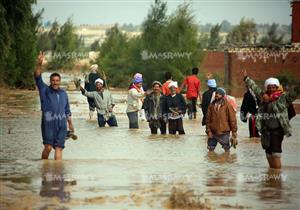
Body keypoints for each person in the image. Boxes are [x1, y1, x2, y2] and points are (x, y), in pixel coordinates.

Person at [242, 69, 300, 169]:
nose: (272, 89)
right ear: (267, 88)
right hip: (266, 130)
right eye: (270, 87)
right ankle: (272, 175)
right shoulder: (263, 97)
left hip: (278, 130)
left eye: (274, 87)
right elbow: (254, 88)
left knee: (275, 152)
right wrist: (246, 78)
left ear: (277, 87)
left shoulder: (283, 98)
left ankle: (278, 177)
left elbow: (295, 92)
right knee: (268, 152)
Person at [34, 52, 74, 160]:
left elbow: (67, 111)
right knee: (48, 147)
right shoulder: (44, 90)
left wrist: (70, 124)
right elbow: (37, 77)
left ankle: (58, 173)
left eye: (57, 81)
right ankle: (44, 167)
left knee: (59, 148)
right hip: (48, 123)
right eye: (53, 80)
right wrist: (39, 63)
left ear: (60, 81)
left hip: (62, 124)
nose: (55, 82)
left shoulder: (64, 94)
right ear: (50, 81)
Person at [206, 88, 237, 152]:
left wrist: (234, 131)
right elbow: (207, 120)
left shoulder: (227, 106)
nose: (217, 95)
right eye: (216, 93)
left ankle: (226, 161)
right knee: (210, 151)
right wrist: (208, 131)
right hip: (213, 132)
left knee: (227, 150)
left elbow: (232, 119)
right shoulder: (211, 106)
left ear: (223, 96)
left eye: (219, 94)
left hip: (224, 132)